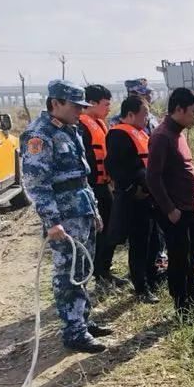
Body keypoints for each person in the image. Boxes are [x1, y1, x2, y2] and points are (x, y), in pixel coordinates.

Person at [19, 80, 111, 353]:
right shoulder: (39, 135)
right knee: (67, 274)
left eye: (82, 106)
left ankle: (83, 320)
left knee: (82, 270)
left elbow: (81, 178)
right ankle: (73, 332)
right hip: (63, 218)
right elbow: (36, 183)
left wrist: (93, 210)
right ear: (55, 103)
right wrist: (52, 221)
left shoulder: (71, 130)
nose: (79, 111)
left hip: (81, 211)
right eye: (74, 106)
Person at [147, 88, 194, 317]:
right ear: (179, 109)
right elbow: (152, 177)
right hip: (176, 212)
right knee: (179, 260)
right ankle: (182, 307)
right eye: (193, 111)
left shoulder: (178, 133)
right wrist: (170, 209)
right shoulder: (162, 136)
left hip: (190, 208)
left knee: (192, 257)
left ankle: (192, 298)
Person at [106, 96, 160, 303]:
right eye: (144, 114)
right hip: (135, 200)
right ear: (130, 114)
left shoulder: (139, 132)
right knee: (139, 244)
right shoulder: (119, 135)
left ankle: (151, 277)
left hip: (149, 197)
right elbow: (116, 168)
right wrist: (132, 189)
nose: (147, 118)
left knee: (153, 240)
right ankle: (141, 288)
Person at [78, 84, 127, 291]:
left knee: (110, 230)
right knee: (100, 233)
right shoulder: (81, 127)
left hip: (105, 185)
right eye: (106, 104)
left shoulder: (99, 123)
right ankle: (98, 274)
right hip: (93, 188)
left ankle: (104, 271)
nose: (109, 108)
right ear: (92, 103)